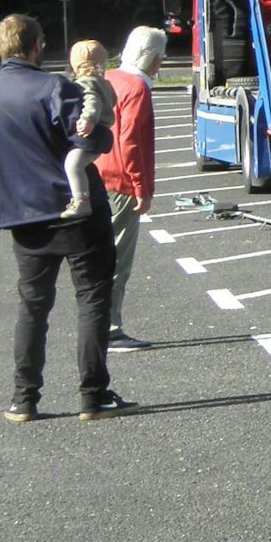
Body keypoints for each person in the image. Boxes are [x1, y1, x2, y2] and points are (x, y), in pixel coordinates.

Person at [0, 14, 140, 423]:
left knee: (32, 305)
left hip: (23, 214)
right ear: (37, 46)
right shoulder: (54, 87)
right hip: (75, 210)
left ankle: (23, 399)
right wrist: (101, 130)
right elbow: (90, 138)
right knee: (92, 298)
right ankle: (93, 395)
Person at [97, 26, 166, 352]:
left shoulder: (110, 77)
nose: (162, 64)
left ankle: (98, 323)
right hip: (122, 182)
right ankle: (110, 329)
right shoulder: (138, 88)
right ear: (152, 59)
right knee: (117, 260)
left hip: (98, 174)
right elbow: (132, 142)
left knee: (98, 255)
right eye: (161, 58)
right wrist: (142, 188)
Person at [61, 40, 116, 220]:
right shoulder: (104, 83)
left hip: (92, 133)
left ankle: (81, 201)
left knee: (72, 164)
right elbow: (112, 101)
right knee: (81, 164)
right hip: (103, 133)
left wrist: (88, 119)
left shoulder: (85, 83)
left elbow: (93, 101)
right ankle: (81, 198)